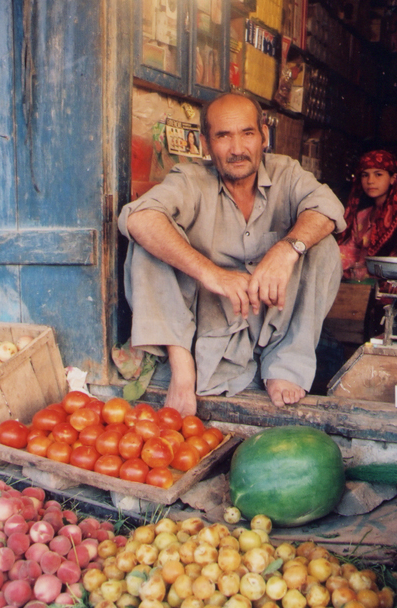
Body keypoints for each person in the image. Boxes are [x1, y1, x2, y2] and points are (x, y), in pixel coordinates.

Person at [118, 92, 346, 415]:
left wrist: (287, 249)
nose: (237, 149)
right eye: (223, 136)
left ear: (264, 136)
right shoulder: (191, 179)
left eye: (247, 134)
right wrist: (211, 273)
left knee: (322, 245)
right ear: (205, 143)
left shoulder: (287, 172)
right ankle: (182, 369)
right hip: (210, 322)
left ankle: (285, 365)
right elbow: (138, 218)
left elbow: (329, 208)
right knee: (148, 243)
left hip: (272, 317)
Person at [337, 149, 397, 280]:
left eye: (378, 174)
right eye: (365, 175)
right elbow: (352, 250)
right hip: (363, 283)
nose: (370, 181)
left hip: (392, 286)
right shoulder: (362, 216)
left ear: (393, 178)